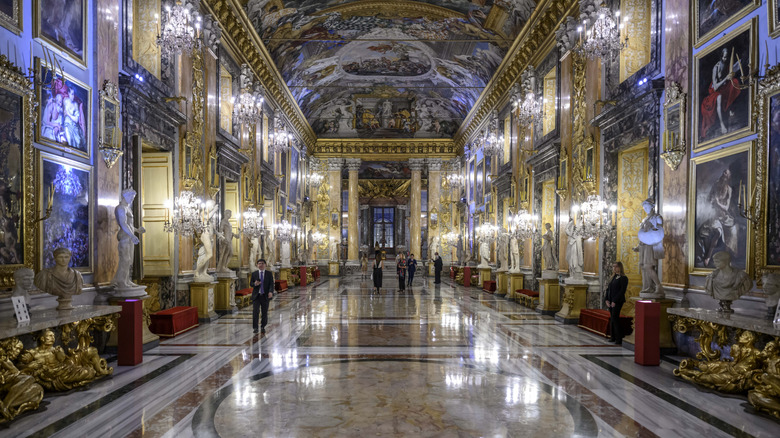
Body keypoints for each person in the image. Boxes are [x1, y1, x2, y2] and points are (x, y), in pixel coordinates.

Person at [700, 47, 742, 140]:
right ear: (721, 57)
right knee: (719, 97)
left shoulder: (727, 64)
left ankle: (730, 108)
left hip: (723, 86)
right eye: (724, 57)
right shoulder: (716, 68)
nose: (725, 59)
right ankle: (722, 124)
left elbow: (729, 75)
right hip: (715, 89)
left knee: (734, 82)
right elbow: (715, 87)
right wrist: (725, 79)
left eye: (727, 57)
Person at [604, 261, 629, 345]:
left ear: (620, 267)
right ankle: (613, 337)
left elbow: (622, 291)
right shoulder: (613, 277)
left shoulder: (623, 278)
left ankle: (618, 339)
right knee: (612, 318)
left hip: (617, 301)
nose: (614, 268)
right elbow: (608, 289)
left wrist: (614, 301)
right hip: (610, 301)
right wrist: (606, 299)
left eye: (616, 267)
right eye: (613, 266)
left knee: (615, 318)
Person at [250, 258, 274, 334]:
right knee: (255, 312)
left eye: (262, 263)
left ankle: (263, 326)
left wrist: (270, 292)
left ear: (265, 265)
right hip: (256, 296)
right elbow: (251, 283)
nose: (261, 265)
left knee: (264, 312)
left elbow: (271, 284)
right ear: (257, 265)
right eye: (259, 263)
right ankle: (255, 327)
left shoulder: (269, 274)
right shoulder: (254, 274)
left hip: (265, 295)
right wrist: (255, 284)